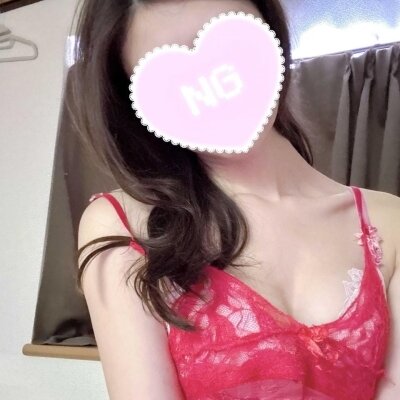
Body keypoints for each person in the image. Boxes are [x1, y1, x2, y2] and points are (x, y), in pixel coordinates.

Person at [73, 0, 400, 399]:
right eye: (171, 80)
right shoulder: (124, 224)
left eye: (231, 44)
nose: (211, 83)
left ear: (271, 33)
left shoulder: (390, 221)